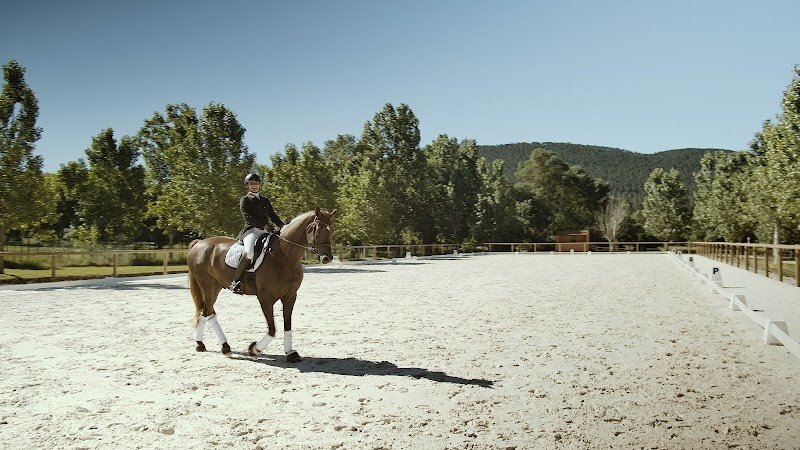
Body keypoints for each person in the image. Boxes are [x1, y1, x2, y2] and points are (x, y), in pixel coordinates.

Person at [229, 173, 285, 294]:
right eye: (251, 184)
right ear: (248, 185)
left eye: (256, 183)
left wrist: (282, 225)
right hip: (251, 231)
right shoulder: (245, 200)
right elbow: (248, 218)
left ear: (259, 185)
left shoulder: (265, 200)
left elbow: (273, 215)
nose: (254, 186)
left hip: (266, 231)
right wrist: (264, 225)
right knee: (249, 252)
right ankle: (236, 281)